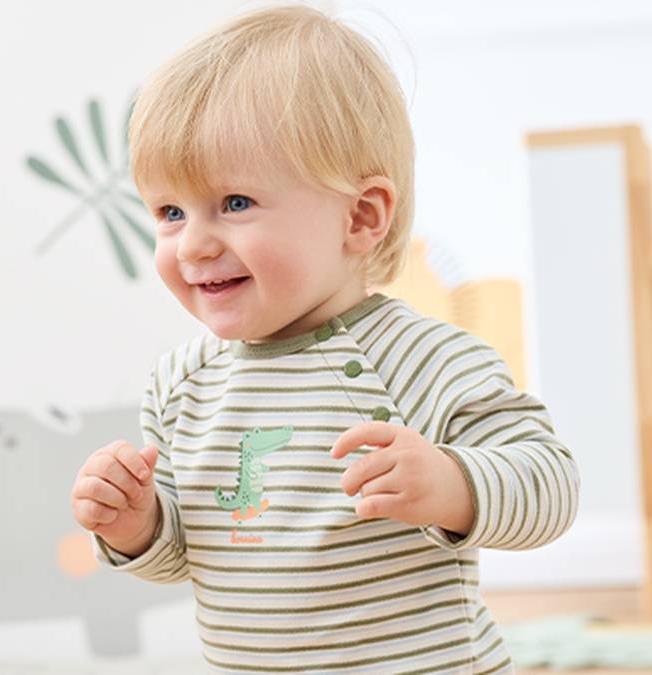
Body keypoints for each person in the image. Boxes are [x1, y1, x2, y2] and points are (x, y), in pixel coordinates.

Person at [70, 5, 579, 672]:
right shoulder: (182, 386)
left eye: (235, 203)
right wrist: (136, 524)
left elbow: (552, 486)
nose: (192, 243)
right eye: (170, 211)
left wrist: (453, 482)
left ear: (361, 217)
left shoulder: (425, 359)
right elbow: (188, 555)